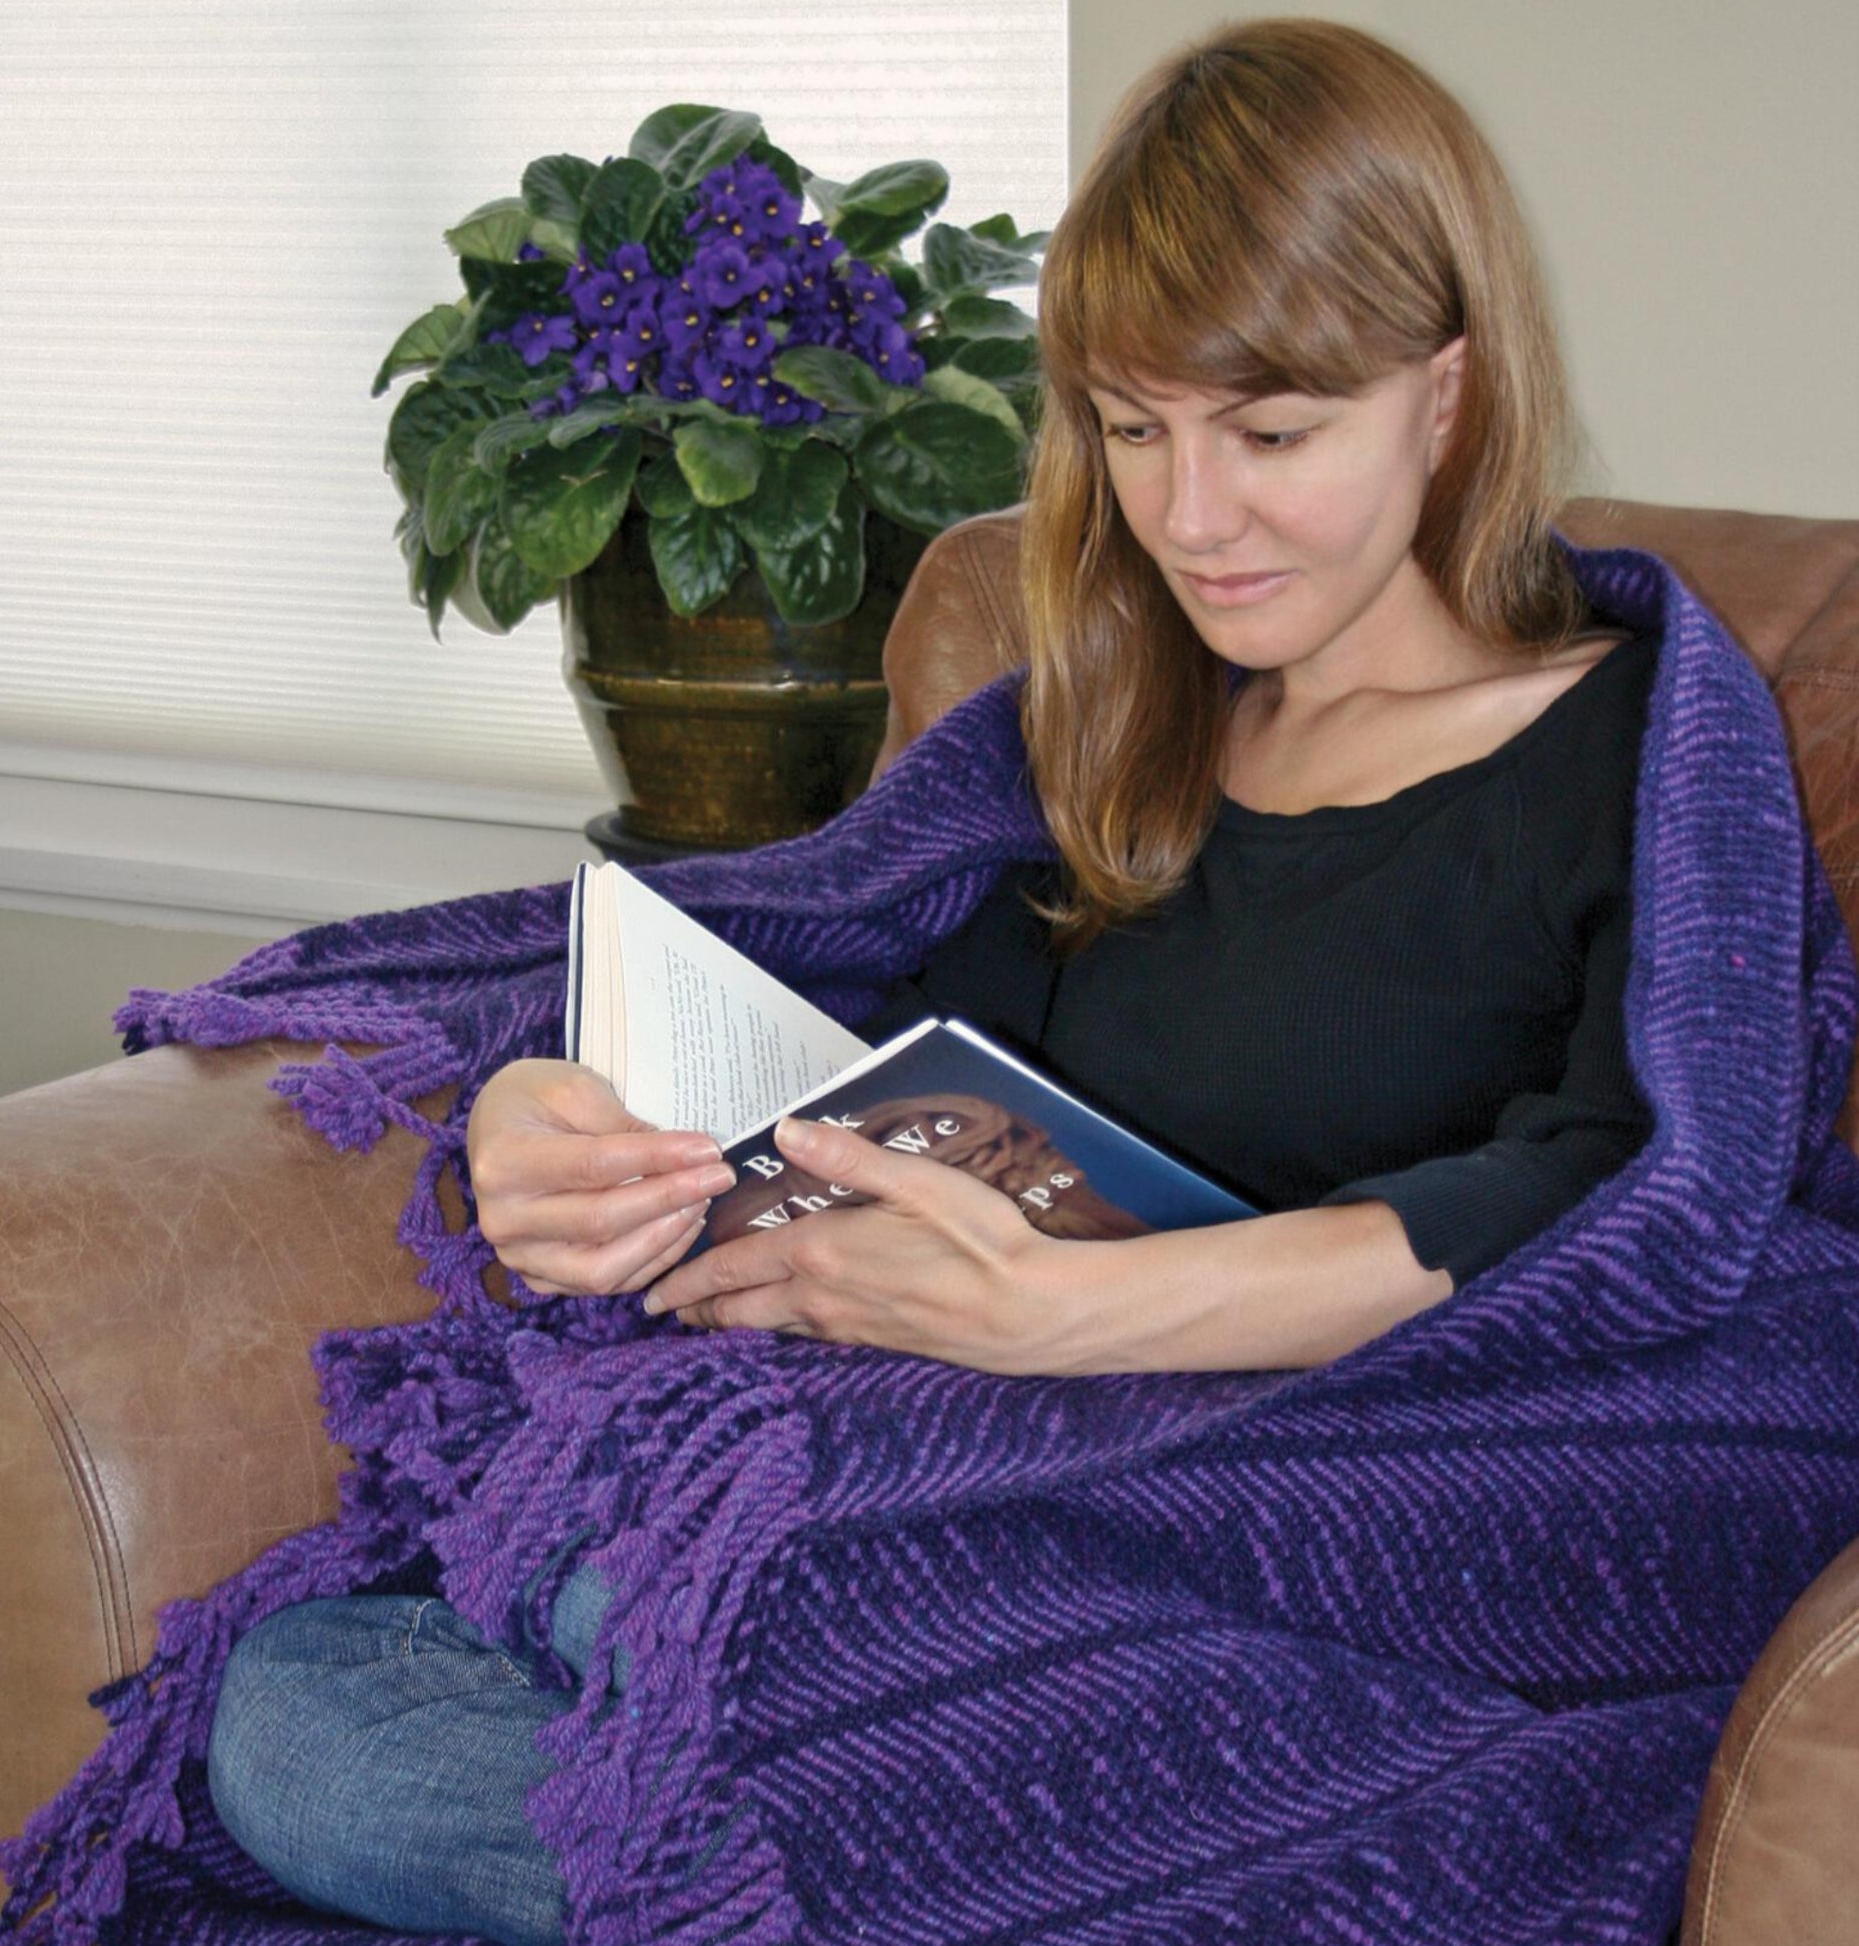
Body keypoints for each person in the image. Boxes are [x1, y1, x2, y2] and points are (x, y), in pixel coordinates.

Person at [184, 19, 1722, 1946]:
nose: (1192, 518)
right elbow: (822, 985)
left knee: (649, 1602)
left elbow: (1637, 1187)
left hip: (1303, 1517)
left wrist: (1072, 1313)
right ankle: (946, 1849)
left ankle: (915, 1826)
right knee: (306, 1709)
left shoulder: (1629, 742)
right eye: (1132, 428)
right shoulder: (1097, 723)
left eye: (1269, 433)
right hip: (984, 1481)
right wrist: (544, 1118)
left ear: (1444, 392)